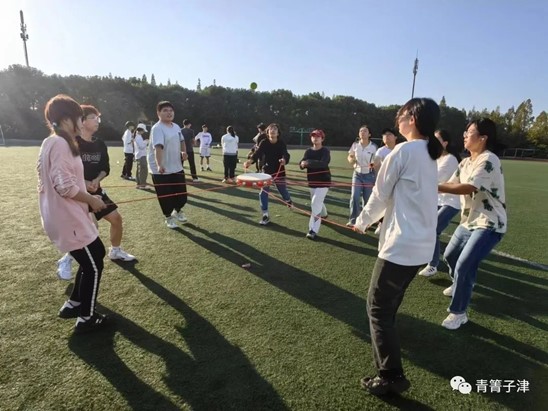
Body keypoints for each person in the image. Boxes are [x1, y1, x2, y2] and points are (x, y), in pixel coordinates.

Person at [353, 98, 443, 395]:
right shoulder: (430, 153)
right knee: (387, 307)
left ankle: (391, 376)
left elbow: (379, 196)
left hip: (402, 247)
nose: (397, 121)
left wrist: (361, 222)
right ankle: (390, 370)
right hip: (420, 246)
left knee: (377, 308)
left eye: (401, 116)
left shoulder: (403, 151)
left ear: (412, 119)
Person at [38, 94, 109, 333]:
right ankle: (86, 318)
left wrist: (86, 192)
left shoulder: (52, 142)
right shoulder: (60, 143)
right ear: (68, 119)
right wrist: (92, 200)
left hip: (67, 215)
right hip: (68, 218)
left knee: (96, 253)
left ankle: (74, 303)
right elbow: (64, 187)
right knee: (94, 266)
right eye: (80, 117)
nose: (82, 122)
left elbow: (59, 181)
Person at [438, 118, 506, 330]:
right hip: (468, 221)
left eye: (469, 132)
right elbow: (451, 183)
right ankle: (460, 282)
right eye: (465, 132)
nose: (465, 135)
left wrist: (432, 185)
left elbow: (468, 187)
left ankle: (458, 313)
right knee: (450, 256)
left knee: (465, 265)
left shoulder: (489, 159)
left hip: (489, 222)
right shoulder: (465, 162)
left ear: (483, 138)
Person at [56, 105, 137, 280]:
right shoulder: (71, 143)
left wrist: (97, 180)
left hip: (96, 190)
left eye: (98, 118)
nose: (97, 121)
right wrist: (84, 183)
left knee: (116, 219)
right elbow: (65, 173)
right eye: (93, 117)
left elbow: (105, 167)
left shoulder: (100, 144)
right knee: (90, 229)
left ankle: (115, 251)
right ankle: (67, 259)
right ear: (82, 121)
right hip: (77, 194)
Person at [418, 129, 462, 277]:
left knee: (433, 229)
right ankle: (429, 258)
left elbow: (435, 178)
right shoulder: (437, 158)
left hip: (451, 202)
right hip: (437, 200)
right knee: (429, 228)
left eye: (438, 139)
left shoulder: (450, 159)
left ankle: (433, 265)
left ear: (445, 143)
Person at [148, 101, 189, 229]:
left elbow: (182, 141)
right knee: (166, 196)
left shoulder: (176, 127)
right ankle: (168, 217)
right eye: (165, 110)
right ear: (158, 113)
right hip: (161, 169)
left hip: (176, 166)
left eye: (171, 110)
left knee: (182, 195)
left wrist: (184, 151)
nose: (169, 113)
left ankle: (178, 210)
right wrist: (159, 164)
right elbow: (158, 147)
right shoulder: (157, 128)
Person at [243, 123, 293, 225]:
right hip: (266, 171)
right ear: (268, 132)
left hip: (279, 171)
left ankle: (288, 200)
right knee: (263, 192)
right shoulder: (264, 142)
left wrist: (284, 160)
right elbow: (257, 153)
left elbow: (285, 153)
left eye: (275, 129)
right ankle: (265, 215)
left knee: (283, 191)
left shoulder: (281, 143)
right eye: (271, 129)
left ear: (278, 133)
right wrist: (250, 161)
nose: (273, 131)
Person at [299, 129, 331, 240]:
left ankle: (312, 230)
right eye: (313, 136)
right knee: (317, 201)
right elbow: (302, 162)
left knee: (315, 203)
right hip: (312, 182)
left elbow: (323, 164)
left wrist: (307, 163)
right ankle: (324, 214)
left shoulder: (325, 151)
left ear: (322, 138)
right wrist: (302, 164)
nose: (315, 138)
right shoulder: (308, 151)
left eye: (318, 136)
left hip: (324, 181)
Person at [347, 125, 378, 227]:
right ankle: (353, 220)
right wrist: (351, 160)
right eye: (361, 131)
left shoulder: (373, 146)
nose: (362, 132)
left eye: (365, 131)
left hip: (369, 175)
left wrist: (373, 165)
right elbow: (350, 156)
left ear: (369, 134)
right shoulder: (355, 145)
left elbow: (377, 160)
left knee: (367, 199)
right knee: (354, 197)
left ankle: (365, 221)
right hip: (357, 174)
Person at [371, 128, 398, 235]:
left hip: (399, 183)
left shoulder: (400, 149)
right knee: (384, 204)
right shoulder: (381, 151)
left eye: (389, 134)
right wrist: (374, 164)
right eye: (384, 135)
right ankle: (381, 223)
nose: (386, 136)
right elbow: (376, 162)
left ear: (395, 137)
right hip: (385, 183)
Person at [134, 123, 149, 189]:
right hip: (141, 155)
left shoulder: (137, 136)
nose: (143, 132)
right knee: (143, 170)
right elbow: (142, 146)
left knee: (139, 170)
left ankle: (139, 184)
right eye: (143, 131)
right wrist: (146, 141)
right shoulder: (138, 137)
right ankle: (142, 185)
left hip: (139, 155)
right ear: (141, 130)